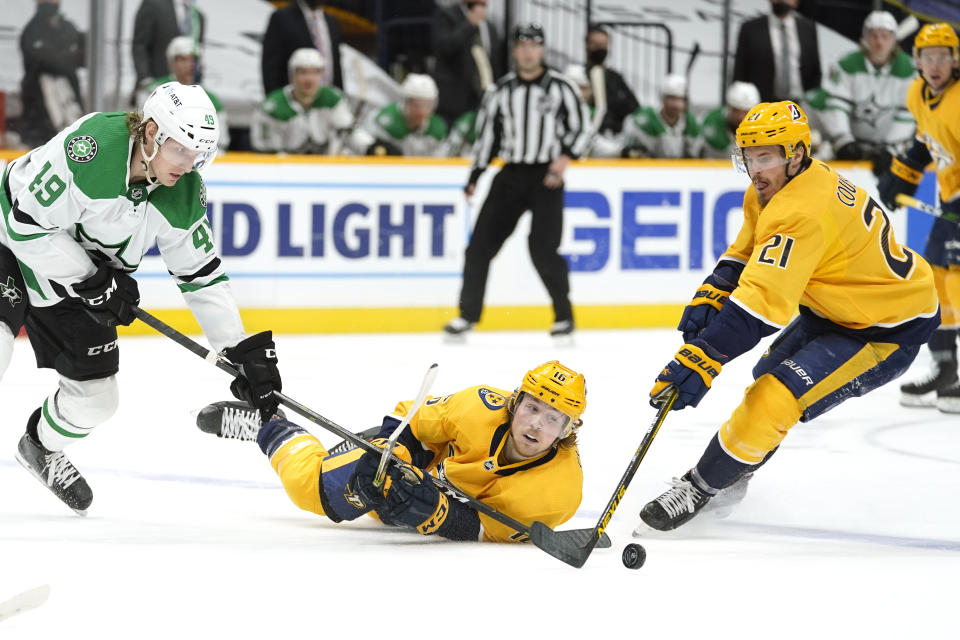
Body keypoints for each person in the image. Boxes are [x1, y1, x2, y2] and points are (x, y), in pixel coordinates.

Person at [637, 100, 939, 532]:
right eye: (748, 157)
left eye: (765, 157)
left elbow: (760, 304)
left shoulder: (803, 209)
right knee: (768, 373)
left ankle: (701, 487)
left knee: (775, 397)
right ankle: (735, 468)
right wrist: (712, 293)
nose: (755, 168)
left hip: (886, 329)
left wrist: (705, 358)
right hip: (843, 307)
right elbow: (749, 249)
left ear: (795, 154)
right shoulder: (775, 188)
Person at [0, 82, 284, 514]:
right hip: (10, 244)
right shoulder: (91, 149)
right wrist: (91, 278)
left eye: (199, 155)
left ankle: (39, 447)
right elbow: (24, 225)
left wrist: (241, 350)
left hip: (83, 281)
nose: (189, 166)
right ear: (151, 133)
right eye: (182, 151)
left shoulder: (183, 192)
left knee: (96, 400)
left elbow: (201, 274)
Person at [197, 361, 587, 543]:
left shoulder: (557, 492)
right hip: (424, 460)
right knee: (311, 489)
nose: (537, 424)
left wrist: (438, 516)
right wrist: (391, 456)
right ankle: (269, 426)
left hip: (452, 497)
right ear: (515, 402)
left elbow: (484, 528)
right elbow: (411, 419)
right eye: (532, 407)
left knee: (384, 510)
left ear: (570, 430)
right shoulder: (477, 406)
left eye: (554, 418)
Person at [443, 24, 590, 342]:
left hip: (546, 178)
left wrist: (563, 162)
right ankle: (467, 316)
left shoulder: (561, 87)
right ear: (514, 51)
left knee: (543, 249)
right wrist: (475, 177)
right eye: (522, 45)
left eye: (534, 45)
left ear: (542, 50)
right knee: (479, 248)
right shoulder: (501, 91)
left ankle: (563, 317)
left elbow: (582, 127)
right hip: (510, 175)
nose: (527, 51)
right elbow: (487, 139)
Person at [877, 23, 960, 414]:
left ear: (955, 59)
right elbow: (925, 143)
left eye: (943, 55)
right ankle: (947, 371)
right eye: (928, 56)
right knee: (936, 282)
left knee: (953, 281)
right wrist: (901, 177)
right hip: (951, 199)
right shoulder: (917, 94)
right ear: (918, 62)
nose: (936, 64)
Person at [809, 10, 914, 167]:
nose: (879, 42)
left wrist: (891, 149)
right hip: (852, 144)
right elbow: (837, 104)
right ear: (865, 37)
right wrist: (843, 141)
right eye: (874, 36)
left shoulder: (909, 69)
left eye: (885, 36)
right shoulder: (846, 64)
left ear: (893, 40)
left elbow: (908, 112)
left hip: (888, 148)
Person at [252, 48, 371, 155]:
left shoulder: (332, 98)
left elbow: (349, 132)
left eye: (315, 72)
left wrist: (370, 146)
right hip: (285, 170)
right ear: (293, 75)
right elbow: (265, 150)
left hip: (326, 168)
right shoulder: (273, 106)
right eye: (303, 72)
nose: (309, 79)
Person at [139, 36, 230, 151]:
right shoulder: (154, 91)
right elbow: (140, 131)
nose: (190, 65)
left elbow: (220, 144)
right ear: (172, 63)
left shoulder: (211, 100)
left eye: (194, 60)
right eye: (183, 59)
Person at [17, 0, 85, 148]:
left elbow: (85, 55)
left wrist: (68, 57)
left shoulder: (67, 27)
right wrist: (69, 56)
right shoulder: (32, 31)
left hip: (69, 107)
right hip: (40, 115)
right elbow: (46, 59)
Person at [431, 0, 504, 127]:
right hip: (454, 100)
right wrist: (469, 24)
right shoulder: (447, 15)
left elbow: (494, 62)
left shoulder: (489, 25)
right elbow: (445, 48)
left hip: (482, 97)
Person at [733, 0, 822, 103]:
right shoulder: (750, 29)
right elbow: (740, 71)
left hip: (799, 104)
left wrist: (812, 99)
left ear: (796, 2)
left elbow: (815, 69)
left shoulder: (808, 28)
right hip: (762, 104)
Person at [261, 0, 343, 96]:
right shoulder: (282, 18)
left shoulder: (332, 22)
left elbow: (336, 66)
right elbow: (271, 67)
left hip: (327, 102)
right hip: (294, 102)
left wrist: (340, 98)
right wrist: (277, 103)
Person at [361, 74, 447, 157]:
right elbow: (361, 147)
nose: (422, 111)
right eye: (416, 105)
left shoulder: (436, 129)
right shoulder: (382, 119)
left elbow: (440, 162)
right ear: (405, 102)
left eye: (428, 105)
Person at [132, 0, 204, 98]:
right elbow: (140, 45)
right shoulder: (152, 5)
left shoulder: (198, 16)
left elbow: (198, 51)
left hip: (186, 91)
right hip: (155, 85)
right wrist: (146, 79)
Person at [621, 74, 702, 159]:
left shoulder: (690, 122)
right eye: (672, 98)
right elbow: (631, 152)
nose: (677, 104)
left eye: (681, 99)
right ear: (662, 98)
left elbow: (695, 155)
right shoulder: (646, 119)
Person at [584, 24, 640, 136]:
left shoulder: (615, 78)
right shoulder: (579, 74)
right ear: (587, 45)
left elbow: (633, 106)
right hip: (586, 131)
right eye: (595, 44)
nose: (600, 48)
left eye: (603, 45)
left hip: (613, 134)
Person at [700, 81, 761, 159]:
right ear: (729, 107)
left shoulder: (762, 127)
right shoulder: (710, 121)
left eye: (746, 112)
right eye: (736, 110)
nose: (741, 117)